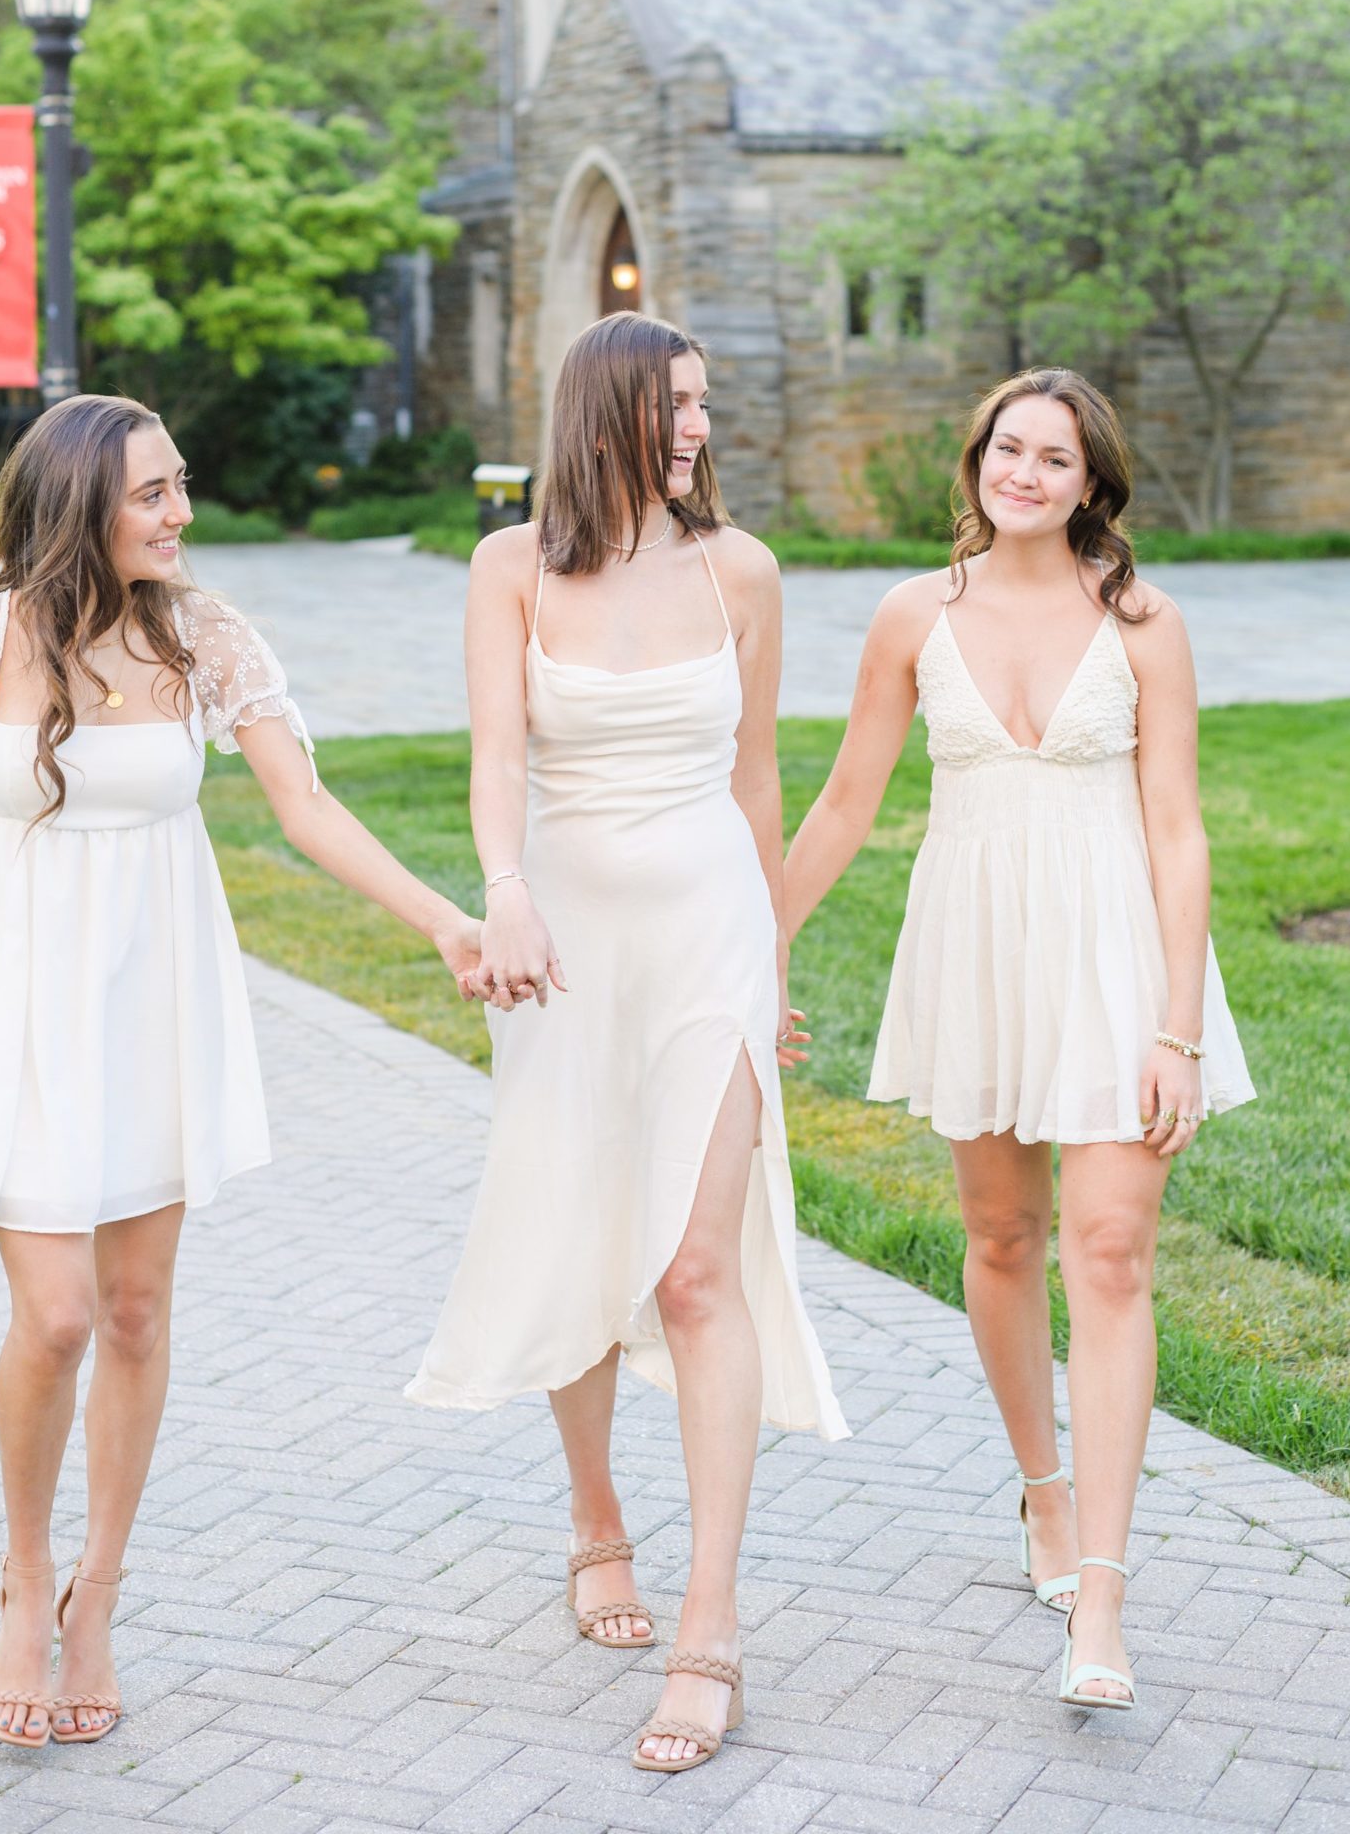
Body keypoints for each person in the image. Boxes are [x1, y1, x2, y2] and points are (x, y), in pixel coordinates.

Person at [0, 394, 483, 1752]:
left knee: (134, 1312)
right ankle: (23, 1578)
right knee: (60, 1316)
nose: (182, 513)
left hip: (156, 1003)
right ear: (80, 503)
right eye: (153, 495)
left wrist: (447, 921)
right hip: (17, 1005)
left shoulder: (203, 638)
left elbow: (306, 808)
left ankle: (97, 1602)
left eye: (180, 486)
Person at [408, 311, 847, 1776]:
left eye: (705, 407)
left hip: (709, 934)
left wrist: (772, 963)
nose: (696, 430)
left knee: (693, 1261)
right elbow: (495, 764)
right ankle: (598, 1521)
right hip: (568, 938)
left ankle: (708, 1624)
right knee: (585, 1233)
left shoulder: (744, 570)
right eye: (673, 407)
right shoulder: (509, 570)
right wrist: (508, 894)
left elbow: (758, 775)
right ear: (604, 412)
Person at [784, 368, 1253, 1712]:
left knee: (1109, 1253)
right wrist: (753, 943)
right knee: (1000, 1237)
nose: (1026, 472)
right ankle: (1041, 1494)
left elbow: (1179, 829)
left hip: (1118, 959)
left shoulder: (1145, 622)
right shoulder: (911, 615)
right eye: (1007, 448)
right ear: (979, 462)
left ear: (1093, 482)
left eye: (1054, 456)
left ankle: (1101, 1591)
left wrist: (1177, 1026)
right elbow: (844, 804)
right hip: (976, 949)